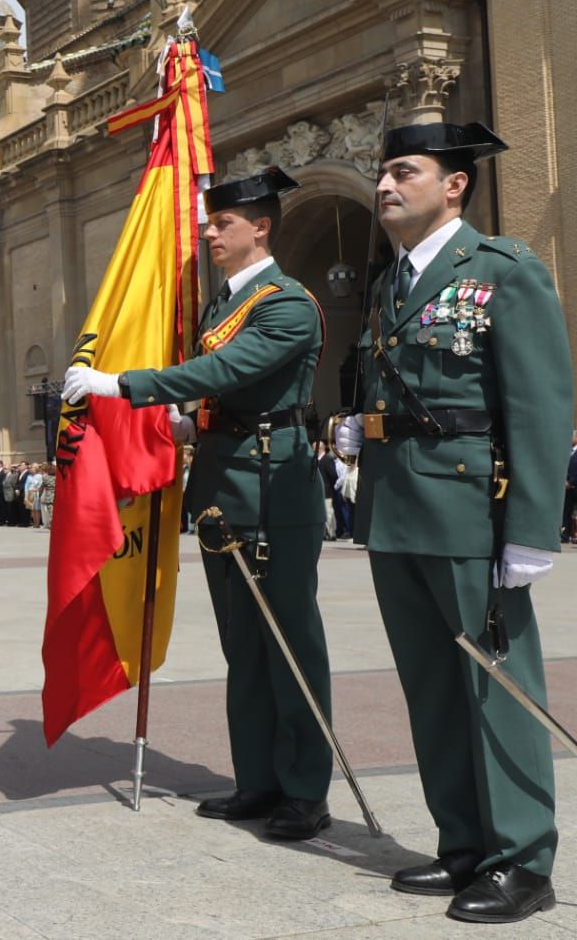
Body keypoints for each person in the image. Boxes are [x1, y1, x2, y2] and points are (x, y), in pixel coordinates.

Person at [334, 122, 572, 923]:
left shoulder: (502, 270)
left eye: (406, 171)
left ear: (455, 184)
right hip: (397, 509)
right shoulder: (387, 285)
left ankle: (522, 861)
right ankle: (463, 843)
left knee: (496, 687)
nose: (386, 185)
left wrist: (533, 528)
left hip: (475, 509)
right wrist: (356, 426)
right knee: (432, 687)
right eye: (383, 173)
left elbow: (540, 404)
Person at [65, 167, 332, 842]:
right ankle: (258, 780)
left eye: (223, 224)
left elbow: (226, 372)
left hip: (274, 487)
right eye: (210, 223)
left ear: (260, 228)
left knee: (288, 642)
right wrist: (193, 426)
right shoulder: (220, 306)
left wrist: (118, 383)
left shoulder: (286, 302)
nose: (210, 235)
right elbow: (222, 392)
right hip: (223, 484)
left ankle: (304, 791)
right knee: (243, 645)